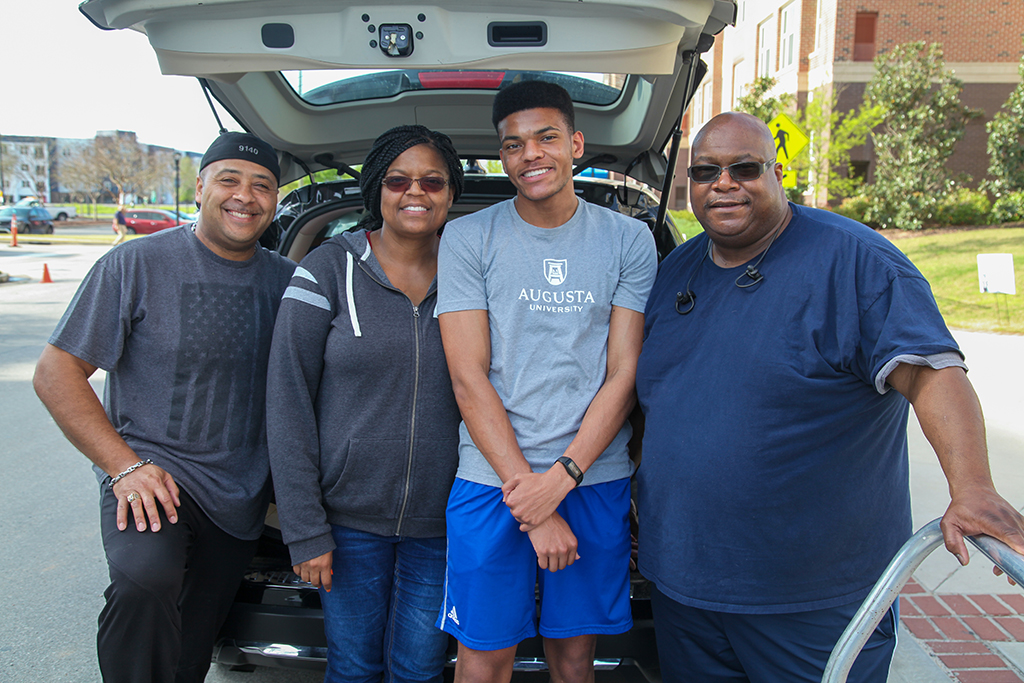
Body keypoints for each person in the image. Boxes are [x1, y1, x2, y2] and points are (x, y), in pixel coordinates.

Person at [635, 111, 1024, 683]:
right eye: (706, 171)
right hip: (685, 588)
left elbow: (932, 374)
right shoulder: (676, 270)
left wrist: (971, 487)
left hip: (812, 600)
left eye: (745, 168)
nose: (724, 183)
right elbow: (653, 405)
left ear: (777, 173)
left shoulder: (855, 262)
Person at [33, 132, 296, 683]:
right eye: (229, 179)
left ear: (275, 199)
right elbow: (56, 373)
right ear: (199, 186)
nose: (244, 196)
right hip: (152, 476)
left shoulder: (287, 281)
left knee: (189, 648)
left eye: (262, 185)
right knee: (143, 583)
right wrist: (122, 466)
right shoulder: (135, 264)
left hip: (240, 496)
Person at [435, 80, 658, 683]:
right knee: (483, 655)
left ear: (576, 144)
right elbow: (467, 376)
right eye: (513, 144)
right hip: (492, 479)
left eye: (546, 138)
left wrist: (560, 481)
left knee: (574, 658)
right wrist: (532, 505)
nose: (530, 154)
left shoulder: (629, 239)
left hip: (592, 477)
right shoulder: (466, 237)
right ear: (500, 157)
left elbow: (623, 373)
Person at [266, 124, 465, 683]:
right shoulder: (327, 269)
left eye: (432, 181)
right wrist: (304, 528)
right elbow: (287, 402)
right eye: (398, 181)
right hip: (346, 522)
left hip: (444, 522)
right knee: (352, 669)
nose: (416, 193)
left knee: (420, 669)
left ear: (451, 193)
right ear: (377, 189)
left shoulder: (473, 273)